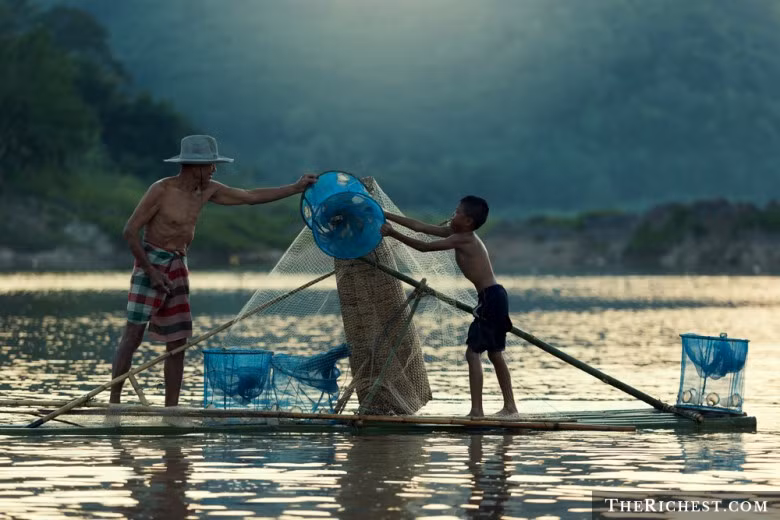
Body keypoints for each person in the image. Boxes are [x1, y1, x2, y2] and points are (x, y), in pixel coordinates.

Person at [110, 134, 316, 409]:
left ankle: (171, 410)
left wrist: (295, 188)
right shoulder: (161, 190)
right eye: (210, 166)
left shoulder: (207, 190)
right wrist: (151, 272)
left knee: (178, 342)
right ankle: (113, 404)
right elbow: (130, 232)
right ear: (195, 166)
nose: (214, 170)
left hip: (177, 266)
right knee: (133, 335)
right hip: (150, 264)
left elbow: (250, 197)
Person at [381, 196, 518, 418]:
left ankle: (478, 411)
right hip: (492, 297)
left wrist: (392, 233)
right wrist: (387, 215)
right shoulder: (456, 234)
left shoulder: (464, 240)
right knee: (494, 354)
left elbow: (424, 247)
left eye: (456, 212)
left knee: (474, 354)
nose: (452, 215)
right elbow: (420, 227)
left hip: (492, 298)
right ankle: (509, 407)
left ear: (467, 221)